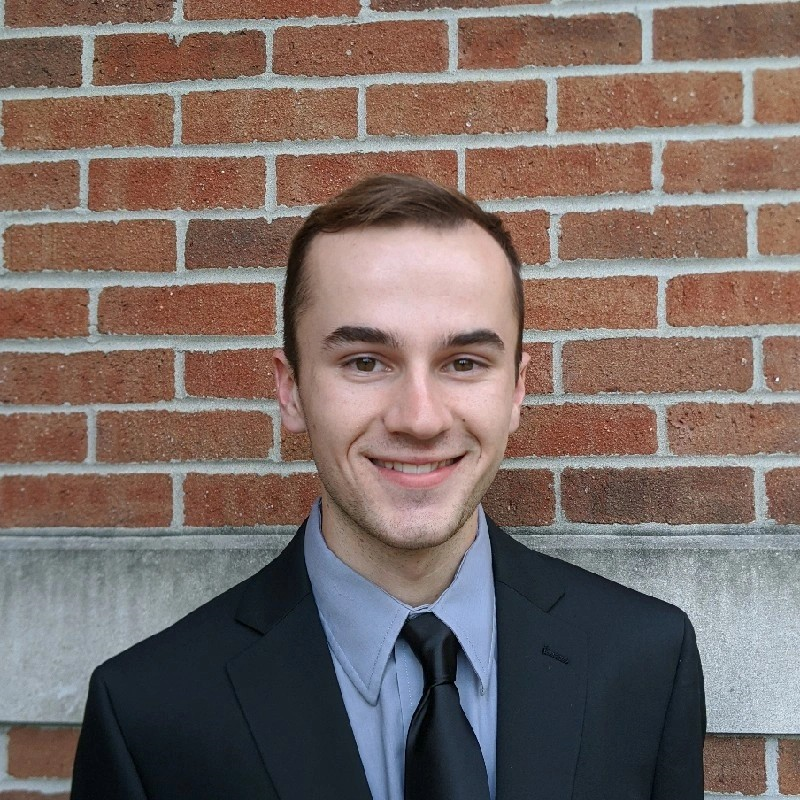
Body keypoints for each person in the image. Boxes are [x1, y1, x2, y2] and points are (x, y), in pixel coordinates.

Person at [71, 174, 706, 800]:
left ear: (516, 390)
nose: (420, 418)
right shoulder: (149, 714)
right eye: (366, 362)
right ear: (291, 390)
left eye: (464, 363)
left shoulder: (645, 661)